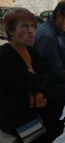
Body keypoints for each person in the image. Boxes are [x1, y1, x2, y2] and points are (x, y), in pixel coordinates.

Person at [0, 8, 49, 142]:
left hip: (37, 107)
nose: (31, 31)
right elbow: (33, 83)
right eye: (25, 26)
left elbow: (46, 77)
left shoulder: (30, 51)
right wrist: (37, 79)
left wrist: (37, 78)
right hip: (18, 116)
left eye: (33, 26)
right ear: (10, 31)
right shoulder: (5, 56)